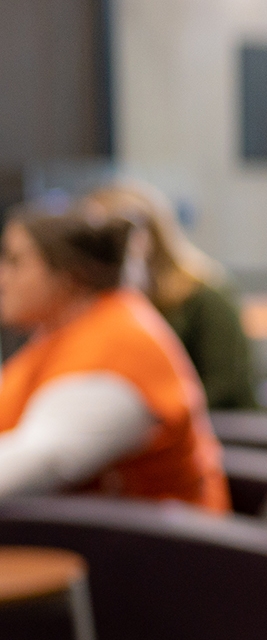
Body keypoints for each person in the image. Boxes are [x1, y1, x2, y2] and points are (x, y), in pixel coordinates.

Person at [0, 210, 227, 510]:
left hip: (156, 548)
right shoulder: (66, 331)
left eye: (15, 262)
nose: (2, 277)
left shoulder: (112, 352)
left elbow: (36, 462)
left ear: (70, 276)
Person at [80, 181, 260, 411]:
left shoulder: (206, 293)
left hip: (218, 427)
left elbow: (224, 385)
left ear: (147, 237)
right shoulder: (111, 301)